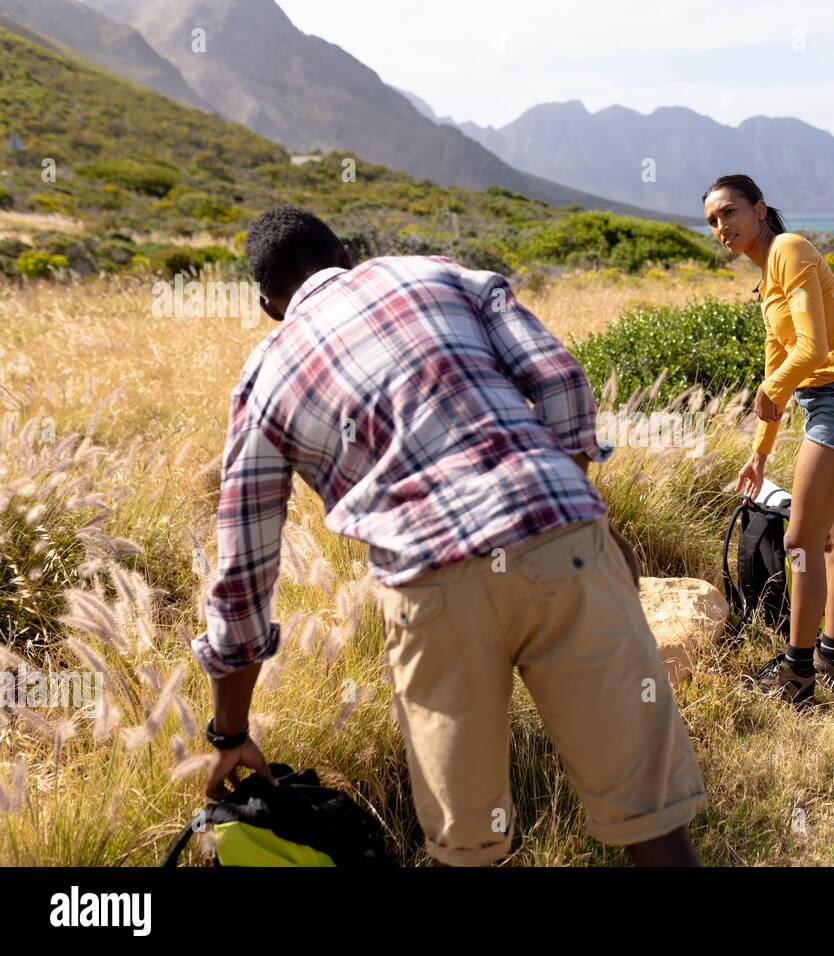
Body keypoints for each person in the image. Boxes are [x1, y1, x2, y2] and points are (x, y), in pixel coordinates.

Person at [193, 206, 705, 865]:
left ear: (269, 304)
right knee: (652, 821)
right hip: (561, 540)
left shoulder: (263, 380)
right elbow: (561, 380)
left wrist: (228, 731)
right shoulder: (443, 274)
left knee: (468, 849)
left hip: (432, 589)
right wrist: (575, 508)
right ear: (346, 252)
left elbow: (243, 573)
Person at [702, 175, 834, 708]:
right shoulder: (767, 278)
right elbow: (777, 365)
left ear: (760, 209)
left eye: (729, 213)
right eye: (713, 221)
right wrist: (759, 455)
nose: (721, 227)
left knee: (799, 544)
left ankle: (797, 675)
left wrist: (774, 387)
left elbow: (809, 350)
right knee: (833, 542)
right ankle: (832, 661)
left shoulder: (789, 249)